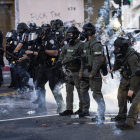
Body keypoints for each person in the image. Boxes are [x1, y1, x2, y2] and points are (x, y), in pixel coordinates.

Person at [108, 37, 140, 130]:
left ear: (123, 47)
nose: (116, 49)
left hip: (135, 79)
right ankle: (122, 114)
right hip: (125, 78)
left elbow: (136, 74)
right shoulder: (120, 54)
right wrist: (113, 68)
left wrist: (132, 88)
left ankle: (130, 121)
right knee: (121, 96)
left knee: (135, 101)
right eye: (115, 47)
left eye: (118, 48)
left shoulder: (132, 56)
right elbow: (118, 63)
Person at [32, 24, 65, 113]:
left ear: (45, 31)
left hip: (51, 67)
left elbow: (55, 52)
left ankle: (61, 105)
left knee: (53, 87)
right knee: (39, 85)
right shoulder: (43, 40)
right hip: (43, 66)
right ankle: (41, 106)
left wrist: (44, 50)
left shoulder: (51, 39)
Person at [78, 23, 106, 122]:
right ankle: (85, 110)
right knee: (83, 90)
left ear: (89, 32)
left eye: (84, 31)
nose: (83, 33)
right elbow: (83, 59)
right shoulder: (85, 44)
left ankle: (101, 115)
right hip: (85, 71)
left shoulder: (96, 44)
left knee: (96, 94)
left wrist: (93, 73)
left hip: (94, 72)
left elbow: (98, 60)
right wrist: (81, 71)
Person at [59, 26, 83, 116]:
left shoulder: (81, 45)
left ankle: (82, 108)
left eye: (71, 34)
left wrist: (81, 71)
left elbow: (84, 60)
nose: (69, 36)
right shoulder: (66, 46)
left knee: (80, 91)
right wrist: (58, 62)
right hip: (68, 72)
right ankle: (69, 109)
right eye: (68, 34)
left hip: (77, 72)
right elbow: (61, 56)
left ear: (76, 35)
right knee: (69, 91)